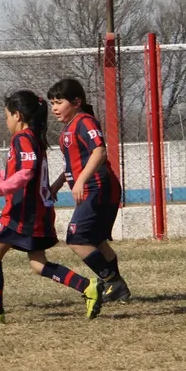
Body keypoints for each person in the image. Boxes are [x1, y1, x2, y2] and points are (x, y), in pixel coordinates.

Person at [0, 91, 104, 324]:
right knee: (38, 265)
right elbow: (17, 173)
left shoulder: (22, 138)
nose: (6, 121)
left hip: (22, 212)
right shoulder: (32, 138)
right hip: (37, 211)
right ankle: (88, 286)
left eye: (7, 116)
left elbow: (26, 173)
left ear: (17, 115)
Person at [46, 78, 130, 302]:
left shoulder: (85, 121)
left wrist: (82, 180)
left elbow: (99, 152)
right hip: (91, 188)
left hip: (100, 187)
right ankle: (116, 288)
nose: (54, 108)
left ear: (76, 102)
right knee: (96, 241)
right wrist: (57, 183)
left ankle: (112, 282)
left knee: (77, 238)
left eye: (58, 102)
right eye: (52, 103)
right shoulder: (69, 127)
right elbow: (75, 163)